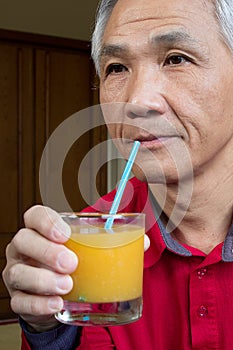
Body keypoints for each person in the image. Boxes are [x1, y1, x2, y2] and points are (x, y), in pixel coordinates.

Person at [2, 0, 233, 348]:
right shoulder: (82, 246)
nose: (136, 101)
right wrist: (49, 329)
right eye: (116, 68)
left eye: (176, 59)